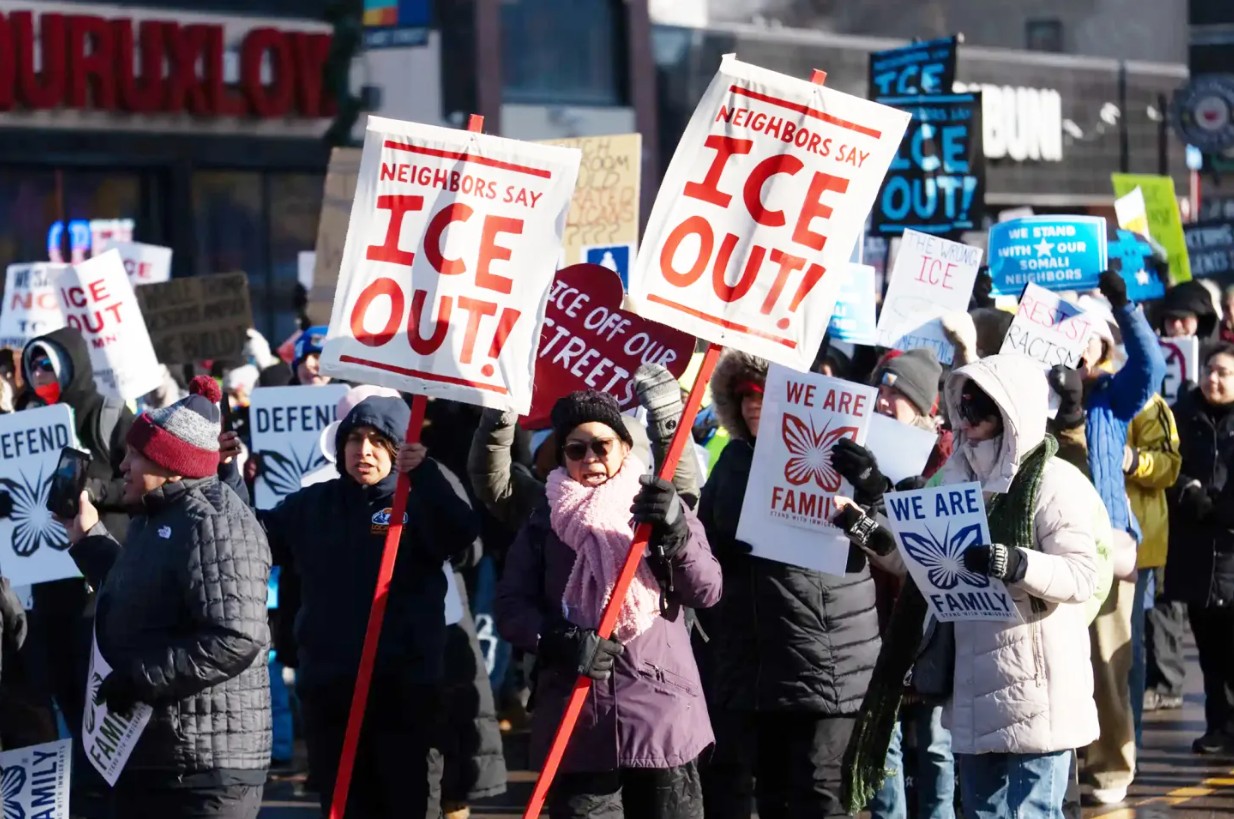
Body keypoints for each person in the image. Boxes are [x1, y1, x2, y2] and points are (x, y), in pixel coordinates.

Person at [844, 354, 1101, 819]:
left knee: (1033, 813)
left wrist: (1016, 563)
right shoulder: (953, 480)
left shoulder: (1054, 481)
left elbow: (1082, 574)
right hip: (973, 681)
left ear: (1012, 408)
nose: (968, 415)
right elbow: (918, 559)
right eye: (963, 404)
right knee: (980, 813)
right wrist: (864, 529)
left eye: (982, 404)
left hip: (1039, 687)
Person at [242, 394, 479, 818]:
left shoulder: (418, 500)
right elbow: (251, 537)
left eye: (377, 440)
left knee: (406, 803)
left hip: (403, 692)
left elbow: (462, 534)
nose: (363, 450)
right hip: (333, 691)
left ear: (398, 448)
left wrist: (424, 472)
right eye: (354, 438)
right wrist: (228, 477)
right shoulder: (315, 504)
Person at [495, 390, 721, 818]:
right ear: (563, 457)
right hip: (579, 723)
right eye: (576, 449)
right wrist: (560, 640)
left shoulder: (660, 507)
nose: (590, 457)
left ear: (624, 448)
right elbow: (510, 606)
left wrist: (674, 534)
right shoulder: (543, 522)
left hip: (662, 721)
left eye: (602, 445)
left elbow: (706, 590)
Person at [61, 376, 272, 817]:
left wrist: (140, 679)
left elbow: (236, 636)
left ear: (170, 464)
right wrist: (86, 538)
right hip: (154, 758)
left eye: (134, 456)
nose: (122, 467)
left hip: (205, 771)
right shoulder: (154, 516)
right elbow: (141, 591)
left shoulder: (215, 521)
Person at [698, 350, 881, 819]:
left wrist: (872, 491)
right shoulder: (733, 461)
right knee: (773, 792)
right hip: (756, 663)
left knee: (819, 792)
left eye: (763, 392)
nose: (752, 403)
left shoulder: (846, 458)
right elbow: (705, 543)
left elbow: (888, 544)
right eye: (742, 396)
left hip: (825, 658)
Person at [10, 327, 135, 816]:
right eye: (34, 366)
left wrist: (88, 493)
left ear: (72, 366)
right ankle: (80, 792)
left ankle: (106, 789)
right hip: (46, 580)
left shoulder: (106, 414)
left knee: (94, 687)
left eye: (49, 365)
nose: (40, 375)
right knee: (58, 681)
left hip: (95, 576)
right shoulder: (25, 418)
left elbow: (136, 478)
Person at [1165, 343, 1234, 753]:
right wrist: (1187, 491)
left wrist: (1223, 506)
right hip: (1194, 549)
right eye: (1210, 369)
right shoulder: (1182, 415)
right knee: (1208, 648)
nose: (1214, 378)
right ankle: (1218, 726)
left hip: (1229, 545)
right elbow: (1167, 466)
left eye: (1224, 372)